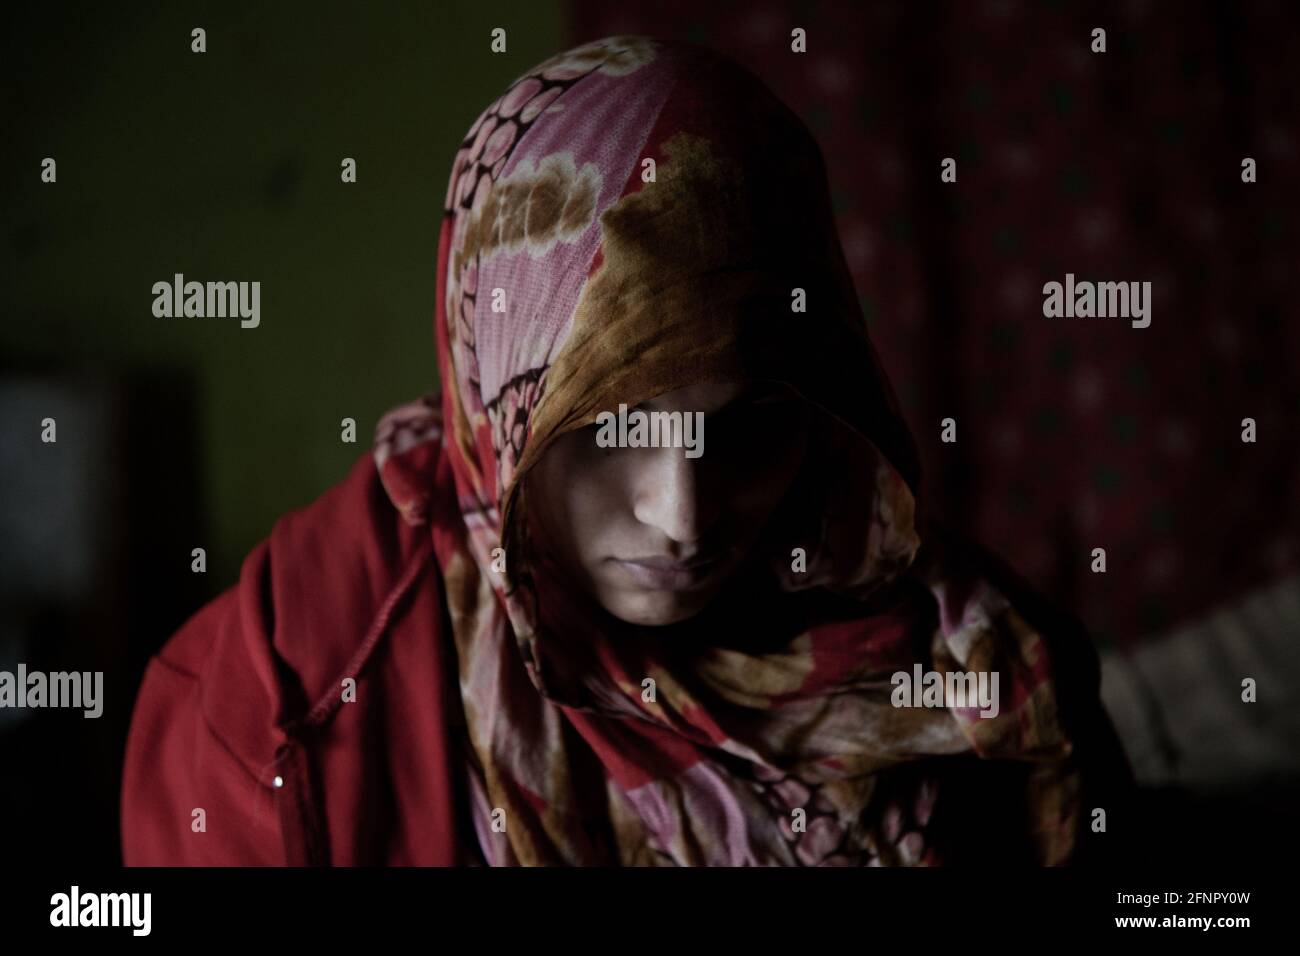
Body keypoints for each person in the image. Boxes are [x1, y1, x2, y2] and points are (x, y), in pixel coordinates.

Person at [121, 35, 1132, 866]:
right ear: (497, 399)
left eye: (746, 425)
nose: (683, 514)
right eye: (606, 430)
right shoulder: (279, 714)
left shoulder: (974, 669)